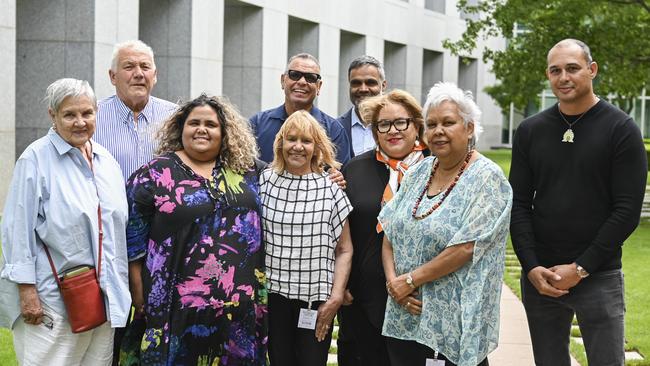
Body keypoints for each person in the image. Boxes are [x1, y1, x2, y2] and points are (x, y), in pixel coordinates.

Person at [510, 39, 647, 365]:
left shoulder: (621, 129)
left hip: (598, 276)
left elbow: (626, 211)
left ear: (592, 69)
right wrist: (530, 266)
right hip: (541, 278)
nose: (564, 77)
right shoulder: (530, 131)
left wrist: (581, 268)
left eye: (572, 68)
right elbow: (517, 203)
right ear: (548, 75)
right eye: (555, 71)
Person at [123, 94, 267, 365]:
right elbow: (133, 242)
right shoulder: (154, 174)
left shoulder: (248, 172)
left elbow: (293, 176)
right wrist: (138, 293)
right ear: (181, 128)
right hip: (173, 307)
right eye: (194, 123)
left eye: (211, 124)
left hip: (237, 310)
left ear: (224, 132)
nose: (202, 129)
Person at [379, 82, 512, 366]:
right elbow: (390, 230)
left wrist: (410, 280)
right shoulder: (419, 171)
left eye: (448, 123)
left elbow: (465, 247)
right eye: (432, 124)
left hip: (451, 325)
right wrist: (394, 284)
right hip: (404, 315)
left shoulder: (487, 178)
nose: (438, 131)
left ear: (469, 128)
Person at [0, 78, 131, 365]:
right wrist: (27, 292)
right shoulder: (35, 159)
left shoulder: (106, 161)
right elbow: (16, 230)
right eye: (69, 114)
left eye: (87, 113)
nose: (80, 122)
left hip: (104, 298)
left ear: (97, 113)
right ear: (53, 115)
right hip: (52, 302)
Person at [338, 89, 428, 366]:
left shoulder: (436, 168)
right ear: (375, 131)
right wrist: (342, 285)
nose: (393, 130)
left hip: (421, 298)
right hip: (363, 299)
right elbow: (340, 234)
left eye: (401, 122)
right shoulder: (353, 170)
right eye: (383, 124)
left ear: (416, 125)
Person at [260, 110, 353, 366]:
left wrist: (335, 297)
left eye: (306, 140)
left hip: (316, 301)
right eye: (291, 139)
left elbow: (344, 249)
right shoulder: (265, 182)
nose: (298, 147)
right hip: (274, 297)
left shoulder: (331, 189)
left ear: (317, 147)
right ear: (281, 143)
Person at [94, 40, 178, 181]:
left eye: (145, 67)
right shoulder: (92, 117)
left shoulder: (175, 116)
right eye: (129, 67)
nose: (139, 74)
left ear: (155, 75)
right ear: (113, 76)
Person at [250, 53, 351, 164]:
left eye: (310, 78)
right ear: (283, 80)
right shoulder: (257, 124)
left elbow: (342, 174)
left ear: (319, 86)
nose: (302, 82)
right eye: (295, 75)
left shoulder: (334, 130)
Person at [337, 55, 387, 159]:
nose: (363, 89)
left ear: (383, 85)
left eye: (370, 83)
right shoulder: (335, 128)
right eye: (356, 83)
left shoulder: (397, 127)